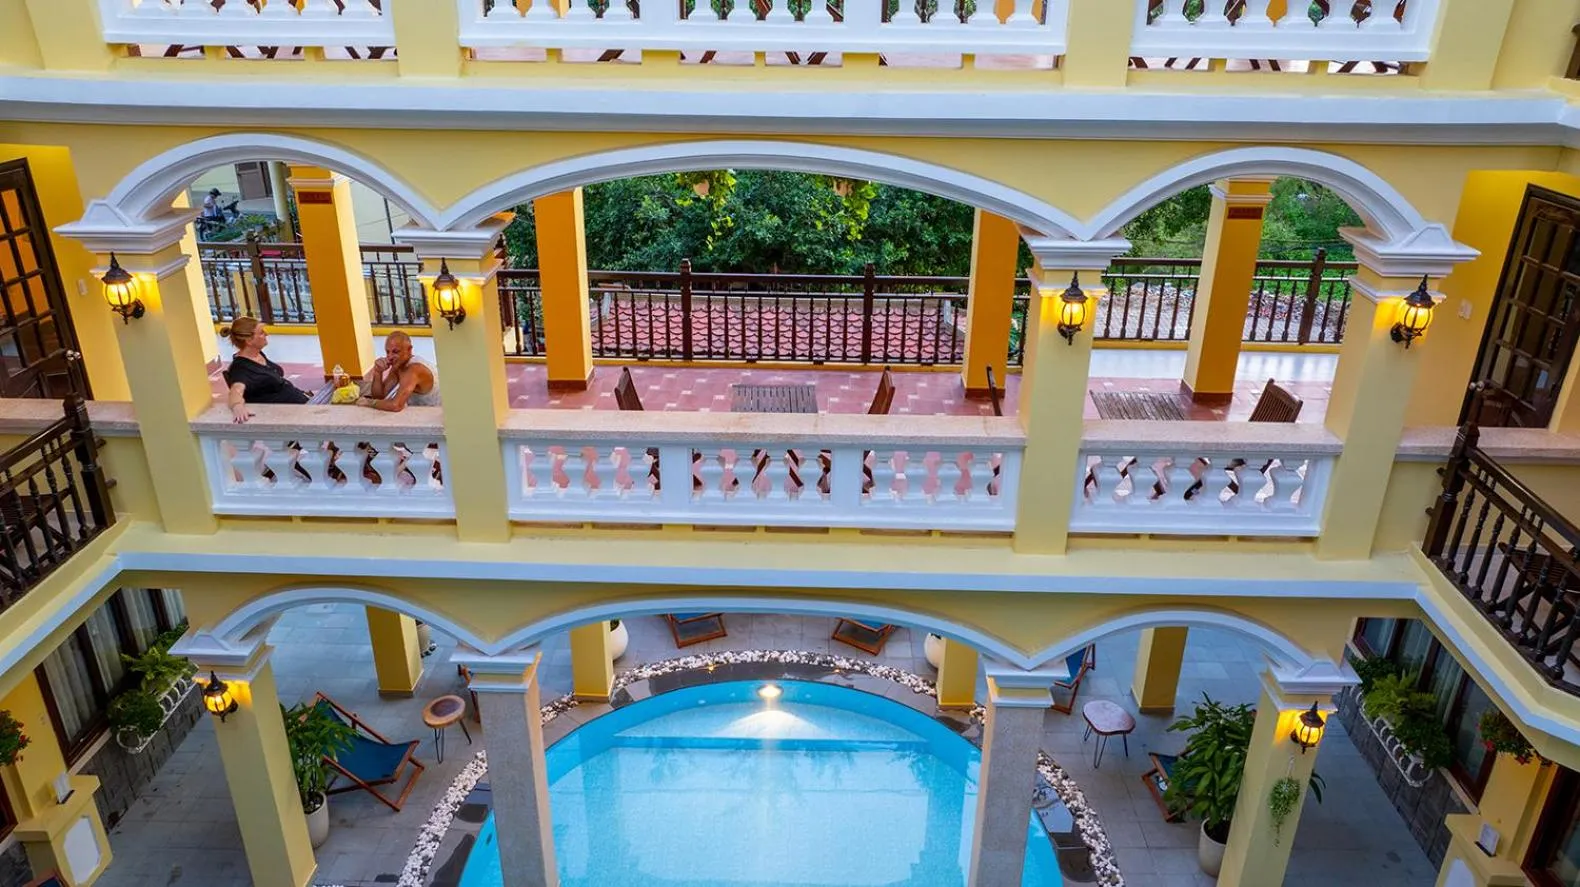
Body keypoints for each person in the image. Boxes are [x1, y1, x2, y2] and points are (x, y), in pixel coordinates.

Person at [221, 316, 311, 424]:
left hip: (299, 404)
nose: (266, 334)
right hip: (287, 416)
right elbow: (236, 391)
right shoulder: (241, 368)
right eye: (261, 333)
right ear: (249, 340)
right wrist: (237, 406)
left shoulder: (257, 355)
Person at [358, 330, 440, 412]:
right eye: (387, 352)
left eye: (395, 352)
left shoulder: (414, 369)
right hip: (419, 411)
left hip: (436, 414)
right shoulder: (398, 365)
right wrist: (378, 372)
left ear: (409, 350)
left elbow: (396, 406)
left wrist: (369, 403)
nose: (390, 357)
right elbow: (380, 396)